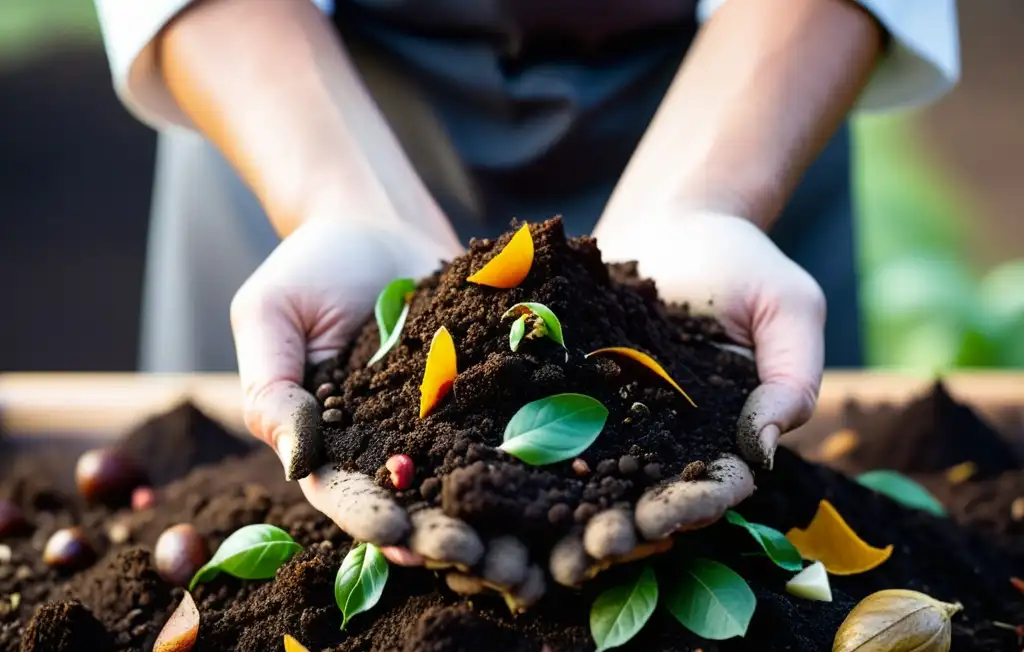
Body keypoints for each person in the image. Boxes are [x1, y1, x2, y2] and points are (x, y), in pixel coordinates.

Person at [93, 0, 958, 482]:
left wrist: (708, 200)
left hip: (749, 101)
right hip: (296, 104)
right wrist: (336, 202)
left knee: (774, 503)